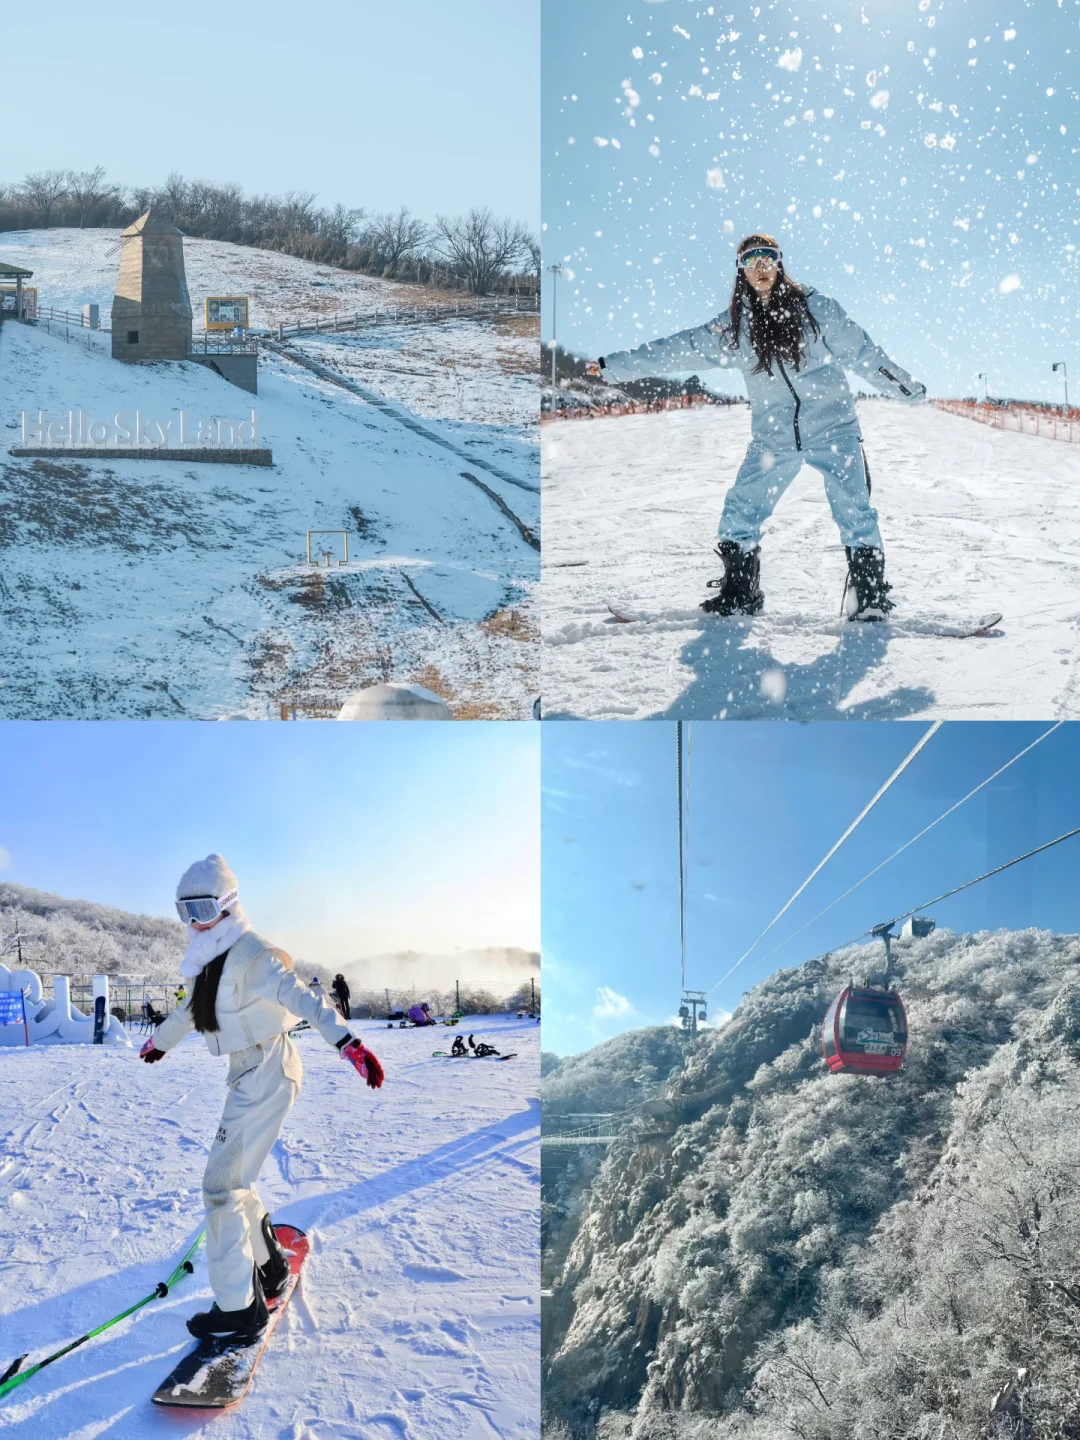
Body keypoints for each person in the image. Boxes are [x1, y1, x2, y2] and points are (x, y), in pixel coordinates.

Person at [587, 234, 927, 620]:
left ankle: (868, 600)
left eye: (767, 257)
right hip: (774, 437)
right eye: (750, 261)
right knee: (740, 510)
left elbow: (864, 353)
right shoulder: (735, 328)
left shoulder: (816, 309)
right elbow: (677, 349)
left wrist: (906, 389)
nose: (760, 267)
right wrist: (614, 366)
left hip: (833, 428)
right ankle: (740, 594)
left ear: (780, 262)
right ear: (741, 271)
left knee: (855, 512)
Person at [140, 854, 384, 1343]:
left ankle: (238, 1309)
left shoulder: (254, 954)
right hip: (248, 1070)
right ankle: (269, 1265)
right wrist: (159, 1042)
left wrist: (347, 1043)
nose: (195, 921)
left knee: (220, 1187)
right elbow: (192, 1012)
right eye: (184, 911)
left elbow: (304, 998)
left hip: (268, 1068)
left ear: (229, 905)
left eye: (204, 907)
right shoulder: (208, 960)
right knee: (236, 1179)